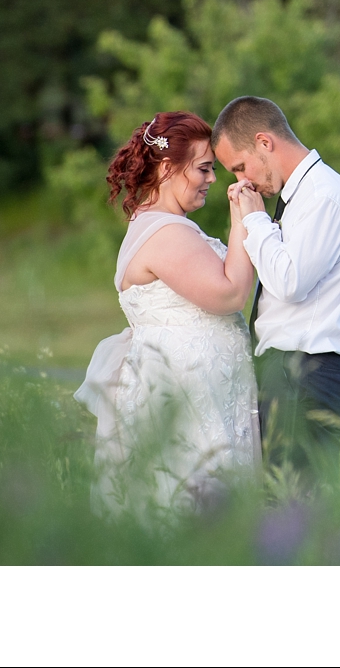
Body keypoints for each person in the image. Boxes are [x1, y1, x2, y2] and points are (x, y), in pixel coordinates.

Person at [74, 110, 259, 513]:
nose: (212, 178)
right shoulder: (164, 233)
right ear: (166, 167)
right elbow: (229, 295)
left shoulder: (163, 226)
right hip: (186, 402)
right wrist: (244, 218)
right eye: (205, 168)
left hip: (200, 397)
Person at [212, 95, 340, 484]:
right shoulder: (302, 196)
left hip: (305, 371)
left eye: (240, 166)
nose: (242, 180)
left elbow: (290, 283)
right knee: (283, 504)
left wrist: (256, 220)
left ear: (265, 143)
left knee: (299, 507)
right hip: (290, 370)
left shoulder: (324, 197)